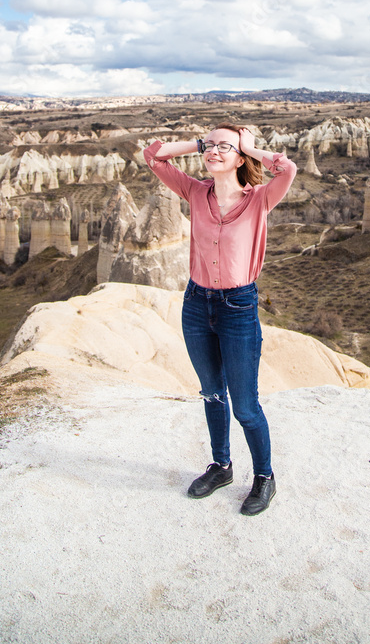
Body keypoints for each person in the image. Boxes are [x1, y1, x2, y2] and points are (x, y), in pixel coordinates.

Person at [143, 123, 297, 515]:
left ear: (240, 157)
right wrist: (200, 142)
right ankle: (221, 466)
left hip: (238, 308)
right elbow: (153, 155)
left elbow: (288, 170)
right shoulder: (195, 192)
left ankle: (264, 476)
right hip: (196, 304)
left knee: (245, 405)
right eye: (208, 147)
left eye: (222, 147)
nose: (212, 152)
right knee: (212, 393)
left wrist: (250, 146)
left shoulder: (260, 199)